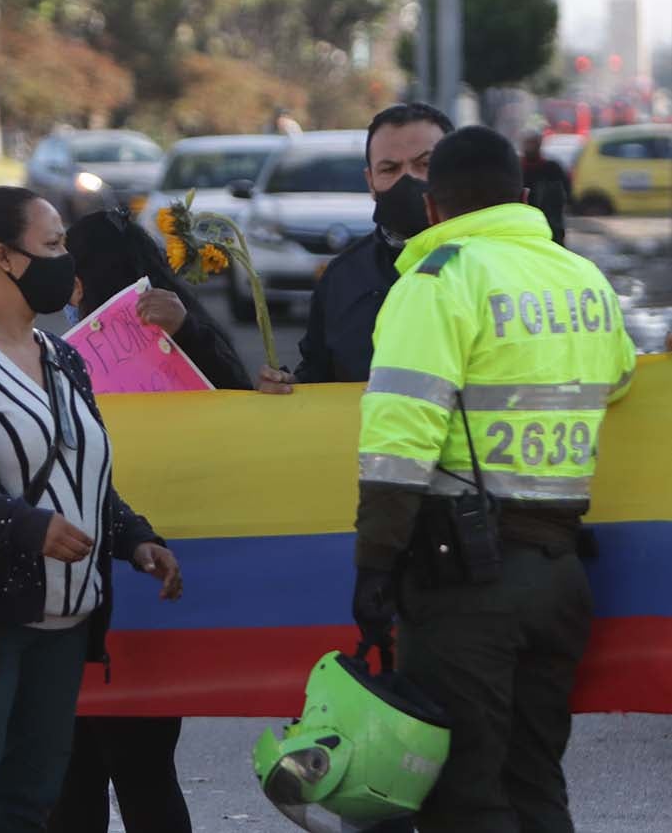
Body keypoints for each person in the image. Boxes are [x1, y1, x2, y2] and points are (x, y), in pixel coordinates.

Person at [352, 126, 636, 832]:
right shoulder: (579, 278)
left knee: (462, 800)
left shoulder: (441, 278)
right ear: (521, 196)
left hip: (464, 582)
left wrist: (374, 563)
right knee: (534, 782)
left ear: (432, 208)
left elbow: (398, 437)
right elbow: (621, 375)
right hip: (560, 575)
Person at [0, 186, 183, 833]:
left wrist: (133, 539)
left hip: (62, 619)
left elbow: (85, 472)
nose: (66, 262)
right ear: (4, 258)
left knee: (30, 798)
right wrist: (25, 527)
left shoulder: (64, 357)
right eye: (51, 246)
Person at [46, 207, 251, 833]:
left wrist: (187, 334)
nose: (64, 285)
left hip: (140, 575)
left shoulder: (171, 328)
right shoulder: (48, 348)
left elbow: (237, 413)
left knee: (136, 765)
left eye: (70, 267)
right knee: (72, 769)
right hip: (75, 577)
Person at [259, 102, 453, 394]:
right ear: (370, 181)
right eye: (390, 168)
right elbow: (318, 376)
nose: (408, 180)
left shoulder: (492, 265)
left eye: (424, 165)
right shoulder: (343, 277)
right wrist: (287, 387)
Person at [521, 130, 573, 247]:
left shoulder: (552, 168)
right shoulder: (518, 168)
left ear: (540, 144)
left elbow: (566, 190)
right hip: (526, 222)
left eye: (533, 142)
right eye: (527, 143)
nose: (530, 146)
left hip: (551, 221)